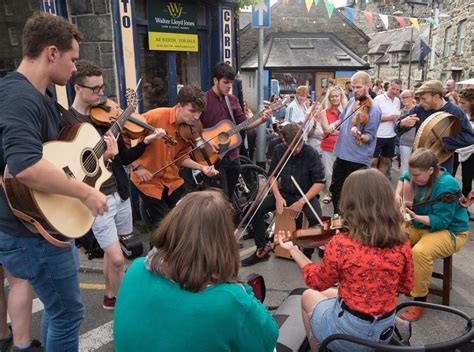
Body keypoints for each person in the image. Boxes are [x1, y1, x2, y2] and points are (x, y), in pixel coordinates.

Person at [0, 13, 107, 351]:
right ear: (51, 53)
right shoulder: (21, 97)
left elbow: (57, 155)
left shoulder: (38, 96)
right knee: (68, 314)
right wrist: (85, 193)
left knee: (59, 310)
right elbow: (26, 165)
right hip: (31, 232)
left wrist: (102, 150)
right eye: (72, 59)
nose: (75, 68)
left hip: (38, 225)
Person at [114, 190, 278, 351]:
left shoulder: (136, 269)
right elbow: (269, 338)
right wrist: (234, 280)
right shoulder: (230, 300)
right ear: (223, 239)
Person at [277, 168, 414, 351]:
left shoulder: (342, 243)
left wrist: (294, 251)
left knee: (308, 296)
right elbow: (406, 286)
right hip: (384, 329)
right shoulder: (402, 241)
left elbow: (317, 281)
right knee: (331, 294)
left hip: (348, 334)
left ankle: (318, 348)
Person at [69, 60, 165, 309]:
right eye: (95, 89)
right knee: (116, 258)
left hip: (120, 193)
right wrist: (104, 157)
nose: (102, 94)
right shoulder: (68, 123)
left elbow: (125, 157)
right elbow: (72, 168)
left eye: (103, 87)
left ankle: (110, 296)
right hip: (96, 198)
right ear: (78, 88)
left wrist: (147, 141)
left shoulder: (103, 119)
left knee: (115, 253)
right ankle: (125, 306)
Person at [396, 149, 469, 322]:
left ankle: (420, 300)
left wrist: (413, 216)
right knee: (393, 237)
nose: (413, 179)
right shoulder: (418, 173)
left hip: (450, 231)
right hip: (421, 224)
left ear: (430, 170)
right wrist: (397, 195)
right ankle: (401, 279)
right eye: (412, 174)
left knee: (420, 252)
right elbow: (404, 176)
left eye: (417, 175)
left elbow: (441, 221)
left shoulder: (447, 185)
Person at [131, 85, 218, 229]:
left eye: (200, 113)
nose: (196, 117)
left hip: (172, 180)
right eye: (192, 111)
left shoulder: (189, 127)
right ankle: (157, 250)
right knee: (165, 226)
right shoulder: (154, 117)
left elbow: (181, 157)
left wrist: (202, 167)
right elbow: (123, 142)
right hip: (148, 182)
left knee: (188, 218)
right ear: (179, 106)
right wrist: (137, 167)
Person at [241, 124, 325, 266]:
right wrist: (278, 196)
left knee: (315, 222)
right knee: (255, 209)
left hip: (305, 195)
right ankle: (262, 249)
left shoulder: (311, 153)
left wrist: (301, 202)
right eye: (293, 147)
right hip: (285, 193)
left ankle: (306, 255)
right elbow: (272, 175)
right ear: (283, 140)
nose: (297, 149)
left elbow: (320, 183)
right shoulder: (279, 150)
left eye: (299, 145)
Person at [200, 62, 270, 199]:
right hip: (213, 158)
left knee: (230, 197)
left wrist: (261, 120)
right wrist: (206, 139)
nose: (229, 86)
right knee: (220, 199)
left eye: (231, 83)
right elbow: (195, 128)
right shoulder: (203, 100)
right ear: (215, 80)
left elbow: (243, 124)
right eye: (225, 82)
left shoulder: (232, 100)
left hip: (232, 157)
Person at [329, 71, 381, 214]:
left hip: (357, 159)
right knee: (336, 190)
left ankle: (355, 225)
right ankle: (338, 219)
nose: (354, 91)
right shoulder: (352, 101)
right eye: (353, 87)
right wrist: (335, 123)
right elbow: (342, 118)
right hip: (342, 155)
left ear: (368, 86)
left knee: (356, 197)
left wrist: (360, 135)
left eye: (358, 87)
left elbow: (370, 136)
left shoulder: (374, 109)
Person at [395, 80, 474, 173]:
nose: (420, 102)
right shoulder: (419, 109)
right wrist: (402, 123)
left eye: (424, 99)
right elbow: (397, 127)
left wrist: (442, 141)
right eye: (419, 98)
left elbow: (469, 137)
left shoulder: (455, 111)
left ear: (436, 97)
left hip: (442, 164)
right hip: (420, 163)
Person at [319, 86, 347, 204]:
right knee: (329, 172)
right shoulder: (324, 112)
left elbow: (348, 128)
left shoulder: (346, 111)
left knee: (343, 172)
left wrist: (342, 112)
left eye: (337, 96)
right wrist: (339, 131)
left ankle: (343, 194)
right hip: (328, 146)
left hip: (343, 146)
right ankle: (331, 193)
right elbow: (326, 129)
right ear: (329, 98)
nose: (334, 99)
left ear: (341, 97)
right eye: (332, 96)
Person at [371, 79, 402, 175]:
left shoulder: (397, 101)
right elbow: (372, 118)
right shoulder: (378, 99)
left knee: (385, 161)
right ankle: (372, 182)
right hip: (377, 135)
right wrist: (389, 118)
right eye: (393, 89)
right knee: (373, 162)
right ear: (388, 87)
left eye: (398, 90)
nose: (395, 92)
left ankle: (380, 182)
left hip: (391, 136)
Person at [452, 88, 474, 220]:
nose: (461, 105)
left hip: (471, 152)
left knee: (467, 181)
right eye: (459, 102)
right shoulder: (458, 114)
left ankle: (463, 207)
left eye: (464, 103)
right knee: (449, 176)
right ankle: (447, 204)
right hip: (455, 149)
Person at [398, 89, 417, 173]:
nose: (405, 99)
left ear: (412, 97)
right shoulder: (400, 112)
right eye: (403, 98)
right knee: (405, 165)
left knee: (416, 165)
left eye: (407, 97)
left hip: (417, 142)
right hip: (404, 142)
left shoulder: (418, 109)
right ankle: (404, 183)